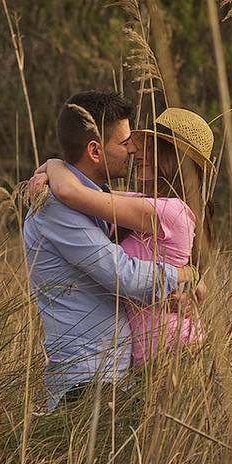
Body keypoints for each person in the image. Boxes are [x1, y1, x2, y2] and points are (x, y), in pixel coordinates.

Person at [23, 91, 200, 411]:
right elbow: (124, 276)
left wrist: (54, 165)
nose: (133, 149)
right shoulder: (55, 207)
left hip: (118, 377)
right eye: (124, 143)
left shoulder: (102, 200)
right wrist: (181, 276)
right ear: (94, 150)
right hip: (86, 378)